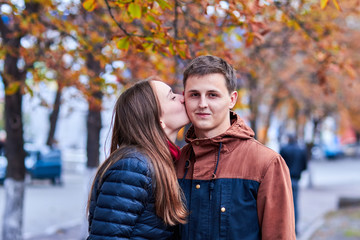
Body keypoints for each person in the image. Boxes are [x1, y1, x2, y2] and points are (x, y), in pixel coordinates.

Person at [175, 55, 296, 239]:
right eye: (194, 95)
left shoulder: (266, 164)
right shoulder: (176, 161)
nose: (202, 104)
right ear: (184, 98)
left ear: (232, 99)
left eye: (212, 95)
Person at [87, 78, 189, 239]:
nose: (183, 97)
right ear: (157, 119)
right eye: (172, 97)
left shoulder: (167, 162)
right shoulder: (132, 167)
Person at [280, 134, 307, 235]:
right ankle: (295, 228)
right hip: (296, 179)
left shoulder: (284, 149)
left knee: (283, 205)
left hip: (285, 179)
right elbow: (305, 166)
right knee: (295, 205)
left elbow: (279, 164)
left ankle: (285, 229)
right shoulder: (301, 150)